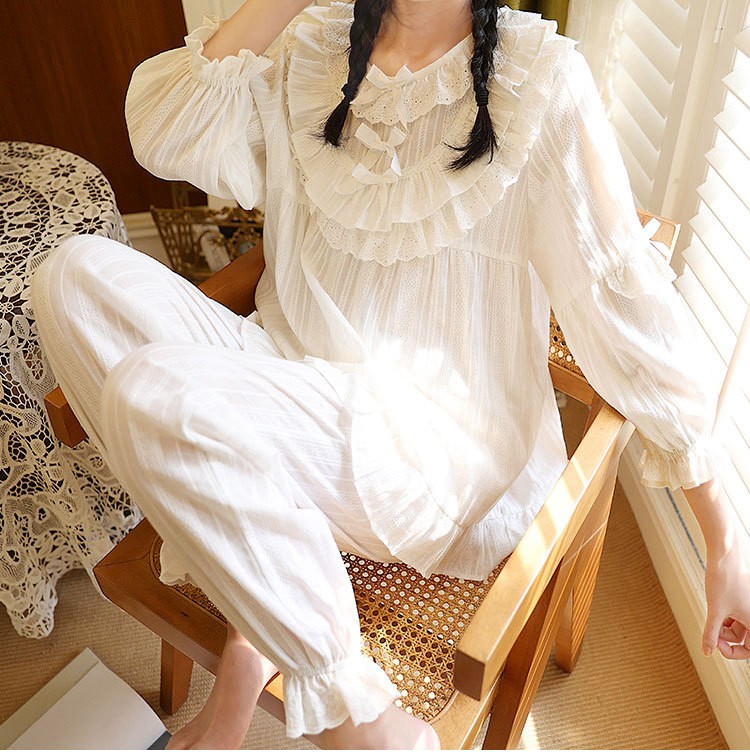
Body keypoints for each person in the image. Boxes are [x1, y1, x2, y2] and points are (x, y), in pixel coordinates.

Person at [30, 0, 750, 749]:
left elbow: (621, 304)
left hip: (424, 445)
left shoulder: (541, 82)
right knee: (70, 278)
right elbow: (164, 131)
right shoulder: (313, 46)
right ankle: (263, 613)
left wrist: (723, 538)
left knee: (153, 393)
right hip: (288, 380)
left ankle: (361, 718)